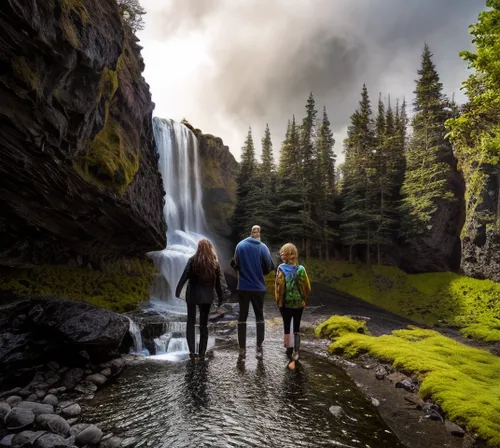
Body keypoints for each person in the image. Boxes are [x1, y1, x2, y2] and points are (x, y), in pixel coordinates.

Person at [176, 239, 226, 362]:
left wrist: (178, 292)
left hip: (192, 296)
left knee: (190, 323)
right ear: (210, 248)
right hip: (207, 297)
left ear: (198, 248)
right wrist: (220, 298)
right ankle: (202, 352)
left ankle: (192, 352)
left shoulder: (192, 260)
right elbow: (218, 284)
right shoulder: (214, 263)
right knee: (204, 325)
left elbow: (184, 277)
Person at [231, 225, 274, 360]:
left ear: (250, 232)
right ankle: (259, 347)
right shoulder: (262, 247)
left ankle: (242, 348)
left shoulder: (240, 245)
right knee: (259, 317)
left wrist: (242, 270)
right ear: (259, 233)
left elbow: (234, 263)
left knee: (242, 317)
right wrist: (261, 272)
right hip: (258, 287)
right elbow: (269, 266)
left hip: (243, 286)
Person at [275, 243, 311, 370]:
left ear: (288, 255)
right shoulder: (301, 269)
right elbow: (307, 287)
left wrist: (279, 301)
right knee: (296, 326)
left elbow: (279, 288)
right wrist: (304, 300)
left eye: (283, 252)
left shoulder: (281, 268)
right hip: (298, 304)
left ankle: (288, 349)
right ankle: (296, 352)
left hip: (285, 303)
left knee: (286, 325)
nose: (281, 254)